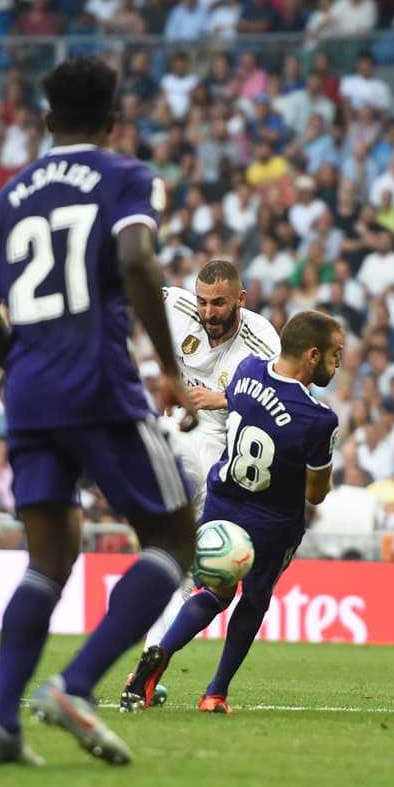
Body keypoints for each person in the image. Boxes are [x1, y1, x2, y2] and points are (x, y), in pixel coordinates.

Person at [0, 57, 198, 766]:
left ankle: (0, 725)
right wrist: (169, 368)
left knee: (48, 558)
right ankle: (76, 684)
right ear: (113, 120)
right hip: (99, 385)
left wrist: (22, 365)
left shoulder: (8, 195)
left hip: (30, 397)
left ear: (45, 120)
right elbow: (137, 258)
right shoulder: (126, 175)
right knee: (173, 537)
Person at [121, 310, 342, 715]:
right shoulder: (318, 419)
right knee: (253, 601)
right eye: (334, 354)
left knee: (213, 592)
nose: (338, 362)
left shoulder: (248, 370)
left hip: (224, 500)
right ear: (312, 355)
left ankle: (159, 655)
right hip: (272, 521)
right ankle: (215, 693)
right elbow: (316, 494)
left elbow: (243, 400)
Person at [140, 260, 281, 665]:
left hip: (224, 445)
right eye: (202, 302)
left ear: (241, 299)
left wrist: (223, 398)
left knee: (185, 569)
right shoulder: (176, 306)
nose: (208, 312)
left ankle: (149, 662)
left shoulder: (262, 342)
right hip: (180, 431)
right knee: (175, 550)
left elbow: (281, 399)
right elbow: (133, 291)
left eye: (218, 303)